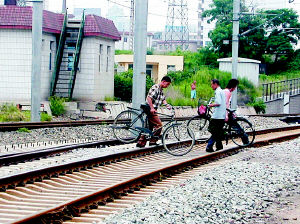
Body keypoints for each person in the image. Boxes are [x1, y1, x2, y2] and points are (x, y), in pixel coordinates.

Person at [136, 76, 172, 148]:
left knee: (149, 127)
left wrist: (167, 105)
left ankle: (140, 143)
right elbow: (149, 98)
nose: (167, 86)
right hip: (149, 108)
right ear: (163, 81)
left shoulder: (161, 90)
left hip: (152, 108)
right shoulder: (155, 87)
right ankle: (153, 141)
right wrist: (152, 108)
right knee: (159, 125)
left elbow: (163, 99)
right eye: (167, 84)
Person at [206, 79, 226, 152]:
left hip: (217, 115)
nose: (211, 86)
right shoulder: (222, 91)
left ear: (215, 84)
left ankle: (209, 146)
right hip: (221, 115)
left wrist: (211, 105)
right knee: (218, 131)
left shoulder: (217, 91)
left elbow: (218, 102)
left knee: (214, 131)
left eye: (212, 84)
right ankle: (219, 146)